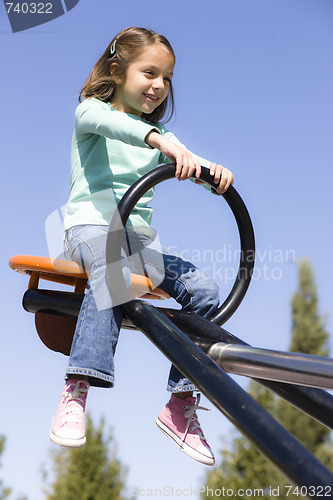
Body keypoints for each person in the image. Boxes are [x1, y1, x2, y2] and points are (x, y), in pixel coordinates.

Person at [50, 27, 234, 467]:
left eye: (167, 78)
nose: (159, 85)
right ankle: (77, 388)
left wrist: (215, 175)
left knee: (205, 291)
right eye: (149, 72)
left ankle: (179, 403)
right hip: (90, 231)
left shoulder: (160, 137)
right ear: (117, 70)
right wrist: (158, 140)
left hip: (139, 244)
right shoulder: (91, 113)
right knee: (112, 270)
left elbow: (193, 163)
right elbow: (119, 126)